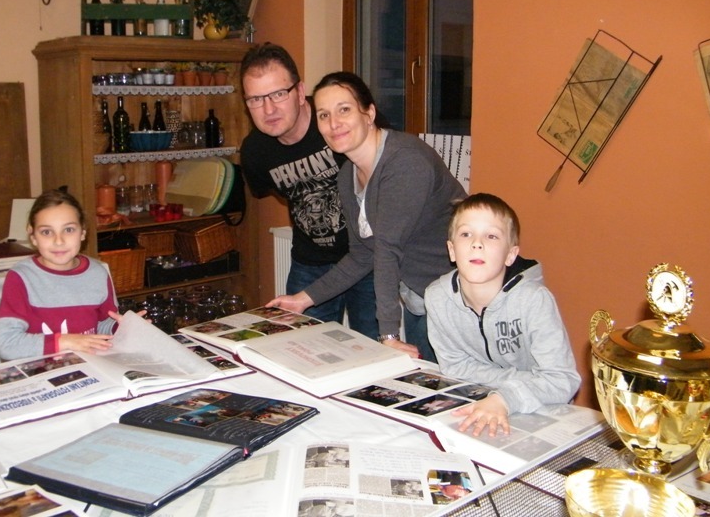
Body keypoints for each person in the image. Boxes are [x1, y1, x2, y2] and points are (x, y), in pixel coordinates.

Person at [267, 71, 467, 361]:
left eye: (344, 110)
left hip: (457, 299)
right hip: (420, 298)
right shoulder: (348, 175)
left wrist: (388, 336)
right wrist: (302, 299)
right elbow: (362, 255)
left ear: (369, 114)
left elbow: (387, 250)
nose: (334, 123)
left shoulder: (405, 161)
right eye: (323, 115)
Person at [239, 43, 378, 339]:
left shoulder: (337, 120)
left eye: (278, 94)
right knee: (303, 346)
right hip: (310, 263)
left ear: (300, 92)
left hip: (367, 258)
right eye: (256, 99)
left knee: (374, 348)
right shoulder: (255, 151)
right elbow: (285, 194)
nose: (268, 109)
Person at [425, 193, 581, 437]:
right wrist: (517, 383)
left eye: (491, 236)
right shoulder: (437, 298)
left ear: (510, 255)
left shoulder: (534, 300)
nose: (477, 243)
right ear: (451, 250)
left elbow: (562, 380)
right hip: (480, 403)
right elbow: (454, 366)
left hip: (541, 411)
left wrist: (506, 397)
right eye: (466, 234)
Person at [0, 189, 125, 360]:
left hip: (89, 366)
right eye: (47, 232)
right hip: (42, 371)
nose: (59, 241)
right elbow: (7, 344)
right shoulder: (20, 278)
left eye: (69, 230)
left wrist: (122, 328)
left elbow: (102, 326)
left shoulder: (98, 274)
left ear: (83, 232)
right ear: (33, 236)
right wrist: (65, 341)